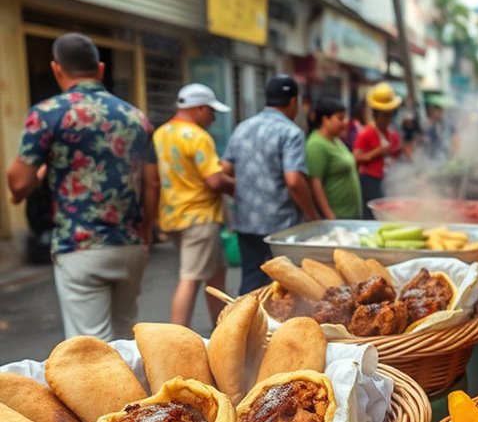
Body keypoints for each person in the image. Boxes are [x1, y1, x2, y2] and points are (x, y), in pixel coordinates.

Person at [5, 33, 156, 340]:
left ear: (56, 69)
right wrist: (147, 232)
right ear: (100, 69)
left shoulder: (48, 114)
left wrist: (39, 174)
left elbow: (18, 183)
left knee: (91, 349)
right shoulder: (135, 116)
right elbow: (152, 181)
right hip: (130, 244)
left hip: (80, 245)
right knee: (126, 338)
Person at [222, 74, 320, 295]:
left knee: (251, 282)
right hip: (280, 225)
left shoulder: (243, 128)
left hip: (247, 221)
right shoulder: (291, 132)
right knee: (282, 288)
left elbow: (225, 170)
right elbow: (294, 181)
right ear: (293, 101)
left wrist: (244, 191)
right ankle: (272, 330)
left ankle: (244, 326)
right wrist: (311, 215)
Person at [154, 83, 235, 328]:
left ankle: (221, 330)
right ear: (199, 108)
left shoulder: (162, 133)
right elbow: (213, 180)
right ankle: (176, 339)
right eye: (211, 111)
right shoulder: (198, 137)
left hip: (174, 214)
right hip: (199, 217)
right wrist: (237, 185)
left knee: (215, 274)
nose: (212, 117)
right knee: (190, 278)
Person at [306, 97, 362, 220]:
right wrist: (330, 216)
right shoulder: (316, 145)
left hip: (350, 214)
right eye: (340, 118)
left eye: (345, 117)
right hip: (338, 216)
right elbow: (315, 184)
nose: (345, 122)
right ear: (325, 120)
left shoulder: (335, 140)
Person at [353, 83, 402, 219]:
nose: (387, 119)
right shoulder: (366, 133)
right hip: (370, 181)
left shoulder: (393, 134)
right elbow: (356, 157)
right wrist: (377, 152)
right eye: (384, 115)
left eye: (389, 115)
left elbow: (396, 156)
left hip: (388, 179)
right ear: (375, 114)